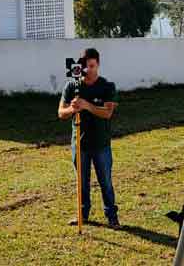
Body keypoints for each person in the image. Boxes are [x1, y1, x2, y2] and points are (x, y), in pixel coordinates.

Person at [58, 48, 120, 229]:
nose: (89, 70)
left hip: (101, 144)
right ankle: (82, 214)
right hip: (79, 144)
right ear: (81, 66)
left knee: (105, 182)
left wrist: (86, 105)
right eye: (86, 66)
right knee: (81, 183)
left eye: (93, 66)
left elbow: (107, 113)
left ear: (98, 64)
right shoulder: (72, 86)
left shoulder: (107, 86)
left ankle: (112, 216)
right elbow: (61, 112)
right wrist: (72, 109)